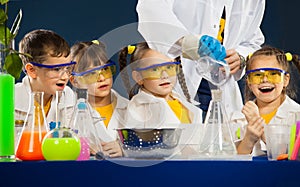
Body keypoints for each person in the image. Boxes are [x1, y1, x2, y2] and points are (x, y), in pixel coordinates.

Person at [136, 0, 266, 120]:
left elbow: (253, 40)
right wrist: (188, 43)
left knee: (223, 140)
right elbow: (150, 9)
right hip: (177, 78)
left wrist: (240, 57)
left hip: (222, 84)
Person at [118, 42, 202, 144]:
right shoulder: (138, 109)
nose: (165, 75)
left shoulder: (183, 104)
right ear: (138, 77)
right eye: (154, 69)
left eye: (169, 67)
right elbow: (137, 147)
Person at [230, 46, 300, 156]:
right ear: (249, 82)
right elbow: (234, 161)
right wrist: (249, 138)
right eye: (257, 75)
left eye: (273, 74)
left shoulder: (297, 114)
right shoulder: (237, 118)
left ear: (285, 80)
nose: (265, 80)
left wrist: (259, 126)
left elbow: (288, 156)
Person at [70, 40, 128, 158]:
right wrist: (80, 147)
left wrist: (126, 149)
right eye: (91, 74)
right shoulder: (68, 111)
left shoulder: (131, 107)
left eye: (105, 70)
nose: (101, 78)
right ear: (74, 81)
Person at [16, 29, 75, 126]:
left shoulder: (68, 96)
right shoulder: (11, 98)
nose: (65, 77)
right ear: (32, 70)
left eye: (68, 68)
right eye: (56, 69)